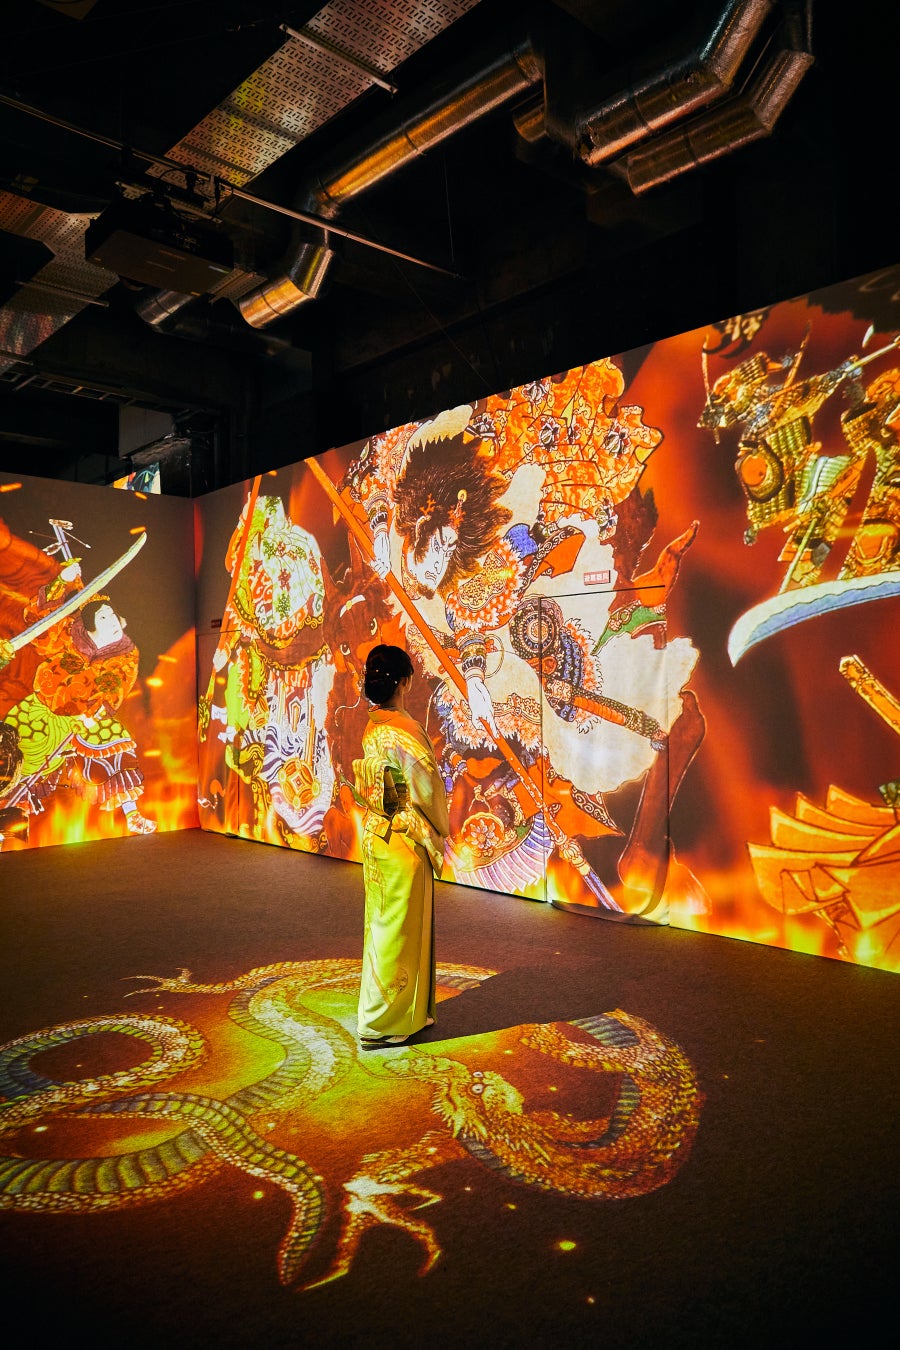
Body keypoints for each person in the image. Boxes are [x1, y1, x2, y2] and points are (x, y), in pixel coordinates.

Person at [353, 644, 450, 1050]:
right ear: (405, 682)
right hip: (405, 838)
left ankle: (406, 1012)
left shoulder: (374, 724)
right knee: (398, 930)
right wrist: (441, 824)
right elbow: (427, 789)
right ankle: (381, 1021)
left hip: (377, 834)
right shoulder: (405, 730)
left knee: (382, 926)